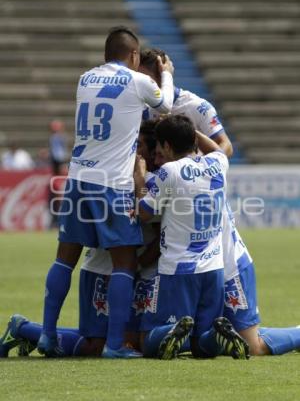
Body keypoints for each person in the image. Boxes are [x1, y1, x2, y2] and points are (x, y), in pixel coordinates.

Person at [37, 26, 174, 358]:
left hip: (78, 178)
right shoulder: (137, 81)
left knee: (64, 260)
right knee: (124, 263)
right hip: (112, 183)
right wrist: (166, 74)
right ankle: (114, 345)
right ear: (132, 56)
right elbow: (165, 105)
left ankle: (46, 335)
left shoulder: (85, 79)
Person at [134, 115, 249, 360]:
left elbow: (144, 213)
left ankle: (171, 330)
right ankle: (217, 336)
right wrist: (190, 131)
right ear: (191, 139)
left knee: (148, 342)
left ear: (166, 146)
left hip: (179, 270)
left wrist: (140, 178)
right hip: (213, 269)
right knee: (201, 345)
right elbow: (218, 149)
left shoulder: (170, 172)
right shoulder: (218, 163)